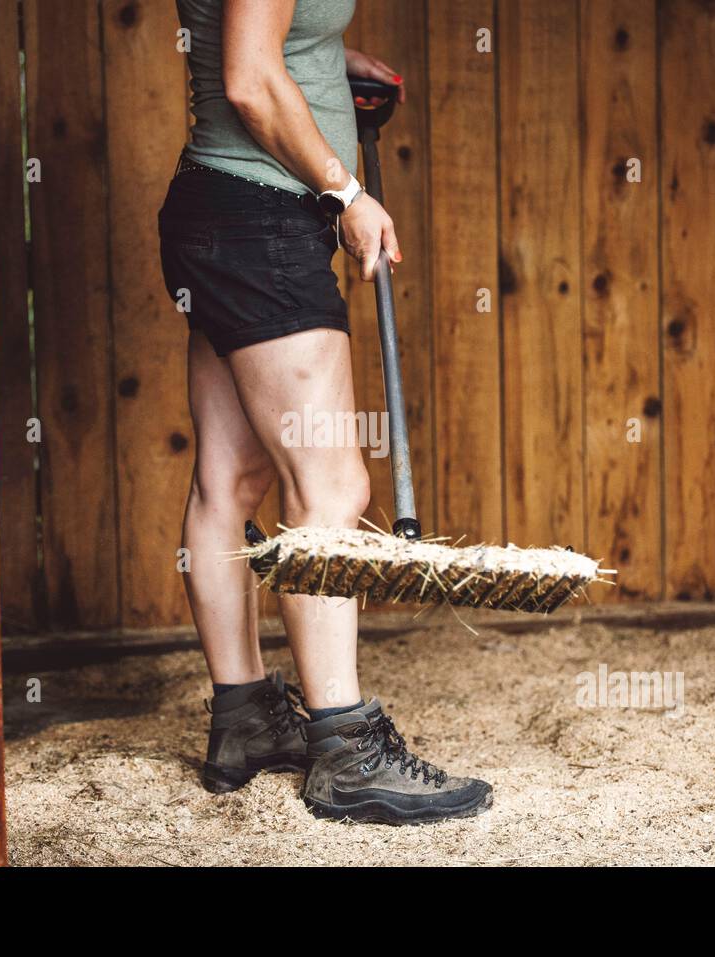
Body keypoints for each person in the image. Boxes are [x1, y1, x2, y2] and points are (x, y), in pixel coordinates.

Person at [158, 0, 492, 824]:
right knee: (331, 486)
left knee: (227, 481)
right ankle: (344, 747)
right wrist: (345, 190)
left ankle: (242, 718)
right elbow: (248, 77)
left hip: (222, 208)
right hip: (265, 215)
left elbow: (250, 44)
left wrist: (330, 60)